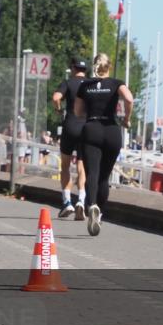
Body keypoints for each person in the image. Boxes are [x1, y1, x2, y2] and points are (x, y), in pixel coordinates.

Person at [74, 53, 135, 236]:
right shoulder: (116, 83)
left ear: (94, 66)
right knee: (104, 177)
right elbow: (129, 99)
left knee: (92, 172)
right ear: (109, 67)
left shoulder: (85, 85)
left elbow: (77, 112)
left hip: (92, 128)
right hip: (111, 130)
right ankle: (99, 211)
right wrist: (126, 118)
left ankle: (91, 204)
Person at [53, 59, 90, 220]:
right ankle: (81, 200)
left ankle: (67, 202)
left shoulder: (68, 82)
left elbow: (56, 97)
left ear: (74, 68)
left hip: (70, 125)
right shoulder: (91, 84)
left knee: (66, 165)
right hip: (86, 128)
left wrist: (59, 110)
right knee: (82, 166)